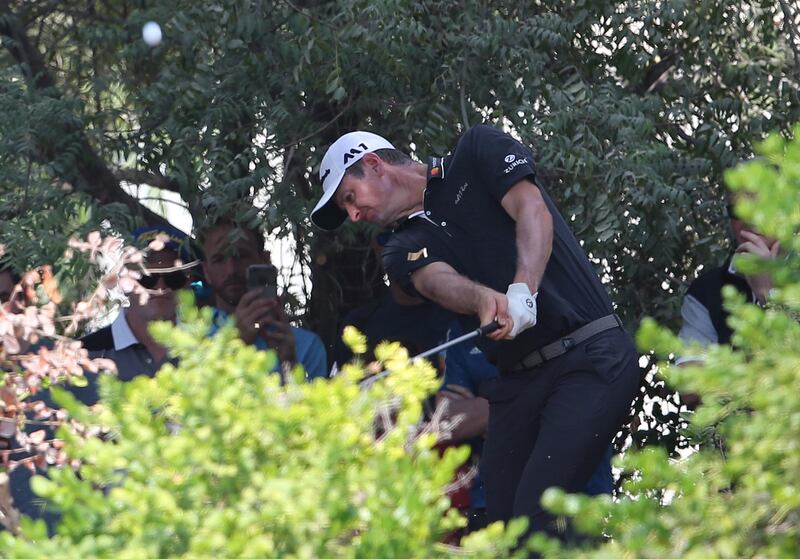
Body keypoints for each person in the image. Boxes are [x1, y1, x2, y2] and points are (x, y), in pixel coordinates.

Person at [309, 126, 641, 542]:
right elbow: (437, 281)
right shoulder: (398, 246)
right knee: (500, 533)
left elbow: (531, 210)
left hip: (590, 354)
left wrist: (524, 287)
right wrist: (484, 300)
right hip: (518, 382)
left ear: (374, 165)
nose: (354, 215)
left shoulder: (476, 151)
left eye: (350, 198)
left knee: (539, 516)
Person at [199, 219, 327, 380]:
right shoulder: (189, 339)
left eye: (241, 256)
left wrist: (289, 363)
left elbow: (312, 404)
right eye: (219, 259)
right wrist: (237, 342)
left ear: (265, 260)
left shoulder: (305, 345)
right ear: (206, 271)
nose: (231, 269)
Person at [80, 224, 196, 392]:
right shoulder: (86, 354)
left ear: (187, 283)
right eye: (147, 277)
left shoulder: (204, 349)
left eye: (173, 277)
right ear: (124, 280)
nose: (160, 287)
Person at [331, 233, 454, 369]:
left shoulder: (461, 313)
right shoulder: (358, 324)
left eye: (406, 234)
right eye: (387, 237)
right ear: (375, 247)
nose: (399, 247)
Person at [679, 195, 781, 350]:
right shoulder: (706, 291)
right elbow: (691, 371)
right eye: (738, 210)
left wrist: (768, 295)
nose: (750, 218)